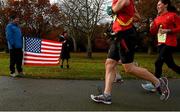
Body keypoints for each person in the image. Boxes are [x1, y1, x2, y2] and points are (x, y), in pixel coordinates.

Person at [90, 0, 170, 105]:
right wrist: (127, 17)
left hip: (126, 37)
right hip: (117, 35)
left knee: (129, 68)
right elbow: (137, 17)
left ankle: (159, 82)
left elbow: (113, 10)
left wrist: (112, 10)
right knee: (109, 64)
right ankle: (107, 96)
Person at [142, 0, 180, 92]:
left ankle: (155, 84)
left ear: (165, 5)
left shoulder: (172, 15)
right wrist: (151, 26)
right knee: (171, 65)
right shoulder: (157, 18)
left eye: (159, 4)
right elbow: (153, 32)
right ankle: (156, 83)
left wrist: (168, 31)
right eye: (157, 5)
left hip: (170, 43)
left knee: (158, 62)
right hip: (160, 44)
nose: (157, 6)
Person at [5, 13, 23, 77]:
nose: (18, 20)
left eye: (18, 19)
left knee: (19, 59)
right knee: (13, 60)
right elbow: (8, 36)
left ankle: (20, 71)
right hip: (13, 46)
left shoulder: (18, 27)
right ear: (12, 19)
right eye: (16, 19)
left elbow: (20, 36)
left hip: (19, 46)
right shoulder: (9, 26)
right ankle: (12, 72)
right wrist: (12, 44)